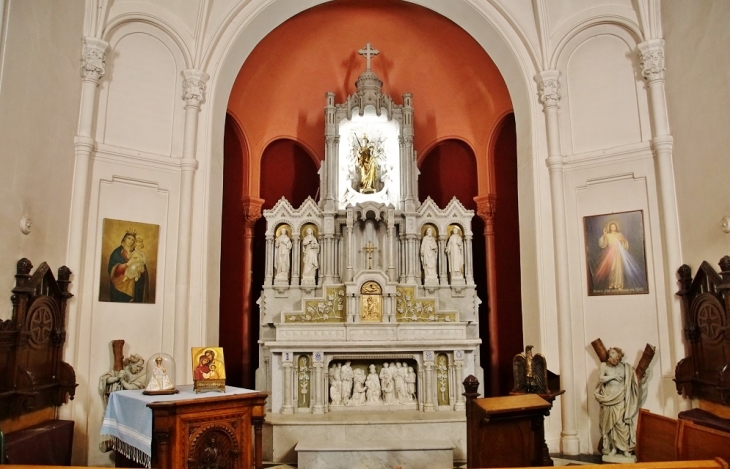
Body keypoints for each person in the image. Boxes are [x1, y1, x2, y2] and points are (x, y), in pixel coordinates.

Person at [594, 347, 642, 458]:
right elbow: (601, 379)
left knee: (621, 424)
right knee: (609, 426)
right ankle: (614, 449)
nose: (610, 356)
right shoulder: (604, 366)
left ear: (619, 356)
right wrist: (613, 376)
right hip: (608, 399)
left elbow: (633, 380)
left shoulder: (625, 368)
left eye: (613, 354)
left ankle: (625, 449)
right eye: (610, 354)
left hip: (620, 399)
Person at [595, 221, 642, 291]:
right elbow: (602, 244)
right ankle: (612, 283)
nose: (613, 228)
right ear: (610, 228)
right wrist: (604, 235)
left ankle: (619, 284)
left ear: (616, 227)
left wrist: (622, 240)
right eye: (611, 226)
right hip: (610, 253)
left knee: (619, 268)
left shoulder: (619, 234)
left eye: (614, 226)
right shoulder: (607, 235)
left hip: (618, 253)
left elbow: (625, 243)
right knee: (612, 268)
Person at [108, 232, 140, 302]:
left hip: (132, 283)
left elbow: (140, 264)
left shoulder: (135, 252)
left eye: (132, 240)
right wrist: (127, 264)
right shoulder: (117, 253)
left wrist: (140, 269)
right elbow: (113, 270)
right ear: (125, 238)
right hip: (119, 286)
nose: (130, 241)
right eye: (129, 238)